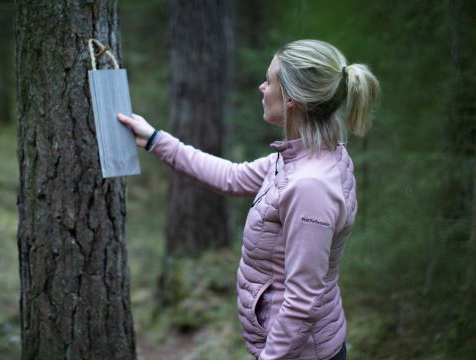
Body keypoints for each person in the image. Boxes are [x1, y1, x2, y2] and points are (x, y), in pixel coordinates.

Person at [118, 39, 379, 360]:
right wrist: (156, 140)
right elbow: (233, 176)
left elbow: (301, 300)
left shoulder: (310, 185)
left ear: (293, 99)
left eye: (269, 81)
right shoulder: (310, 154)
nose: (262, 87)